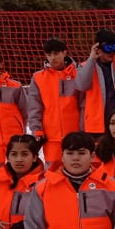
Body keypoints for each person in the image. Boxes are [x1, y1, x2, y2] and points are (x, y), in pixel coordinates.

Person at [27, 37, 80, 165]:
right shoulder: (38, 77)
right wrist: (36, 129)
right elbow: (34, 107)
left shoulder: (78, 74)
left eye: (56, 53)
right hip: (51, 138)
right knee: (52, 173)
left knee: (76, 171)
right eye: (49, 54)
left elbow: (85, 105)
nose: (52, 58)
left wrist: (84, 131)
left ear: (65, 53)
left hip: (75, 136)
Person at [75, 29, 115, 140]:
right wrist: (91, 59)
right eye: (107, 48)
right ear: (98, 49)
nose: (111, 53)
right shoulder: (86, 66)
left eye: (113, 48)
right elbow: (81, 85)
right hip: (96, 126)